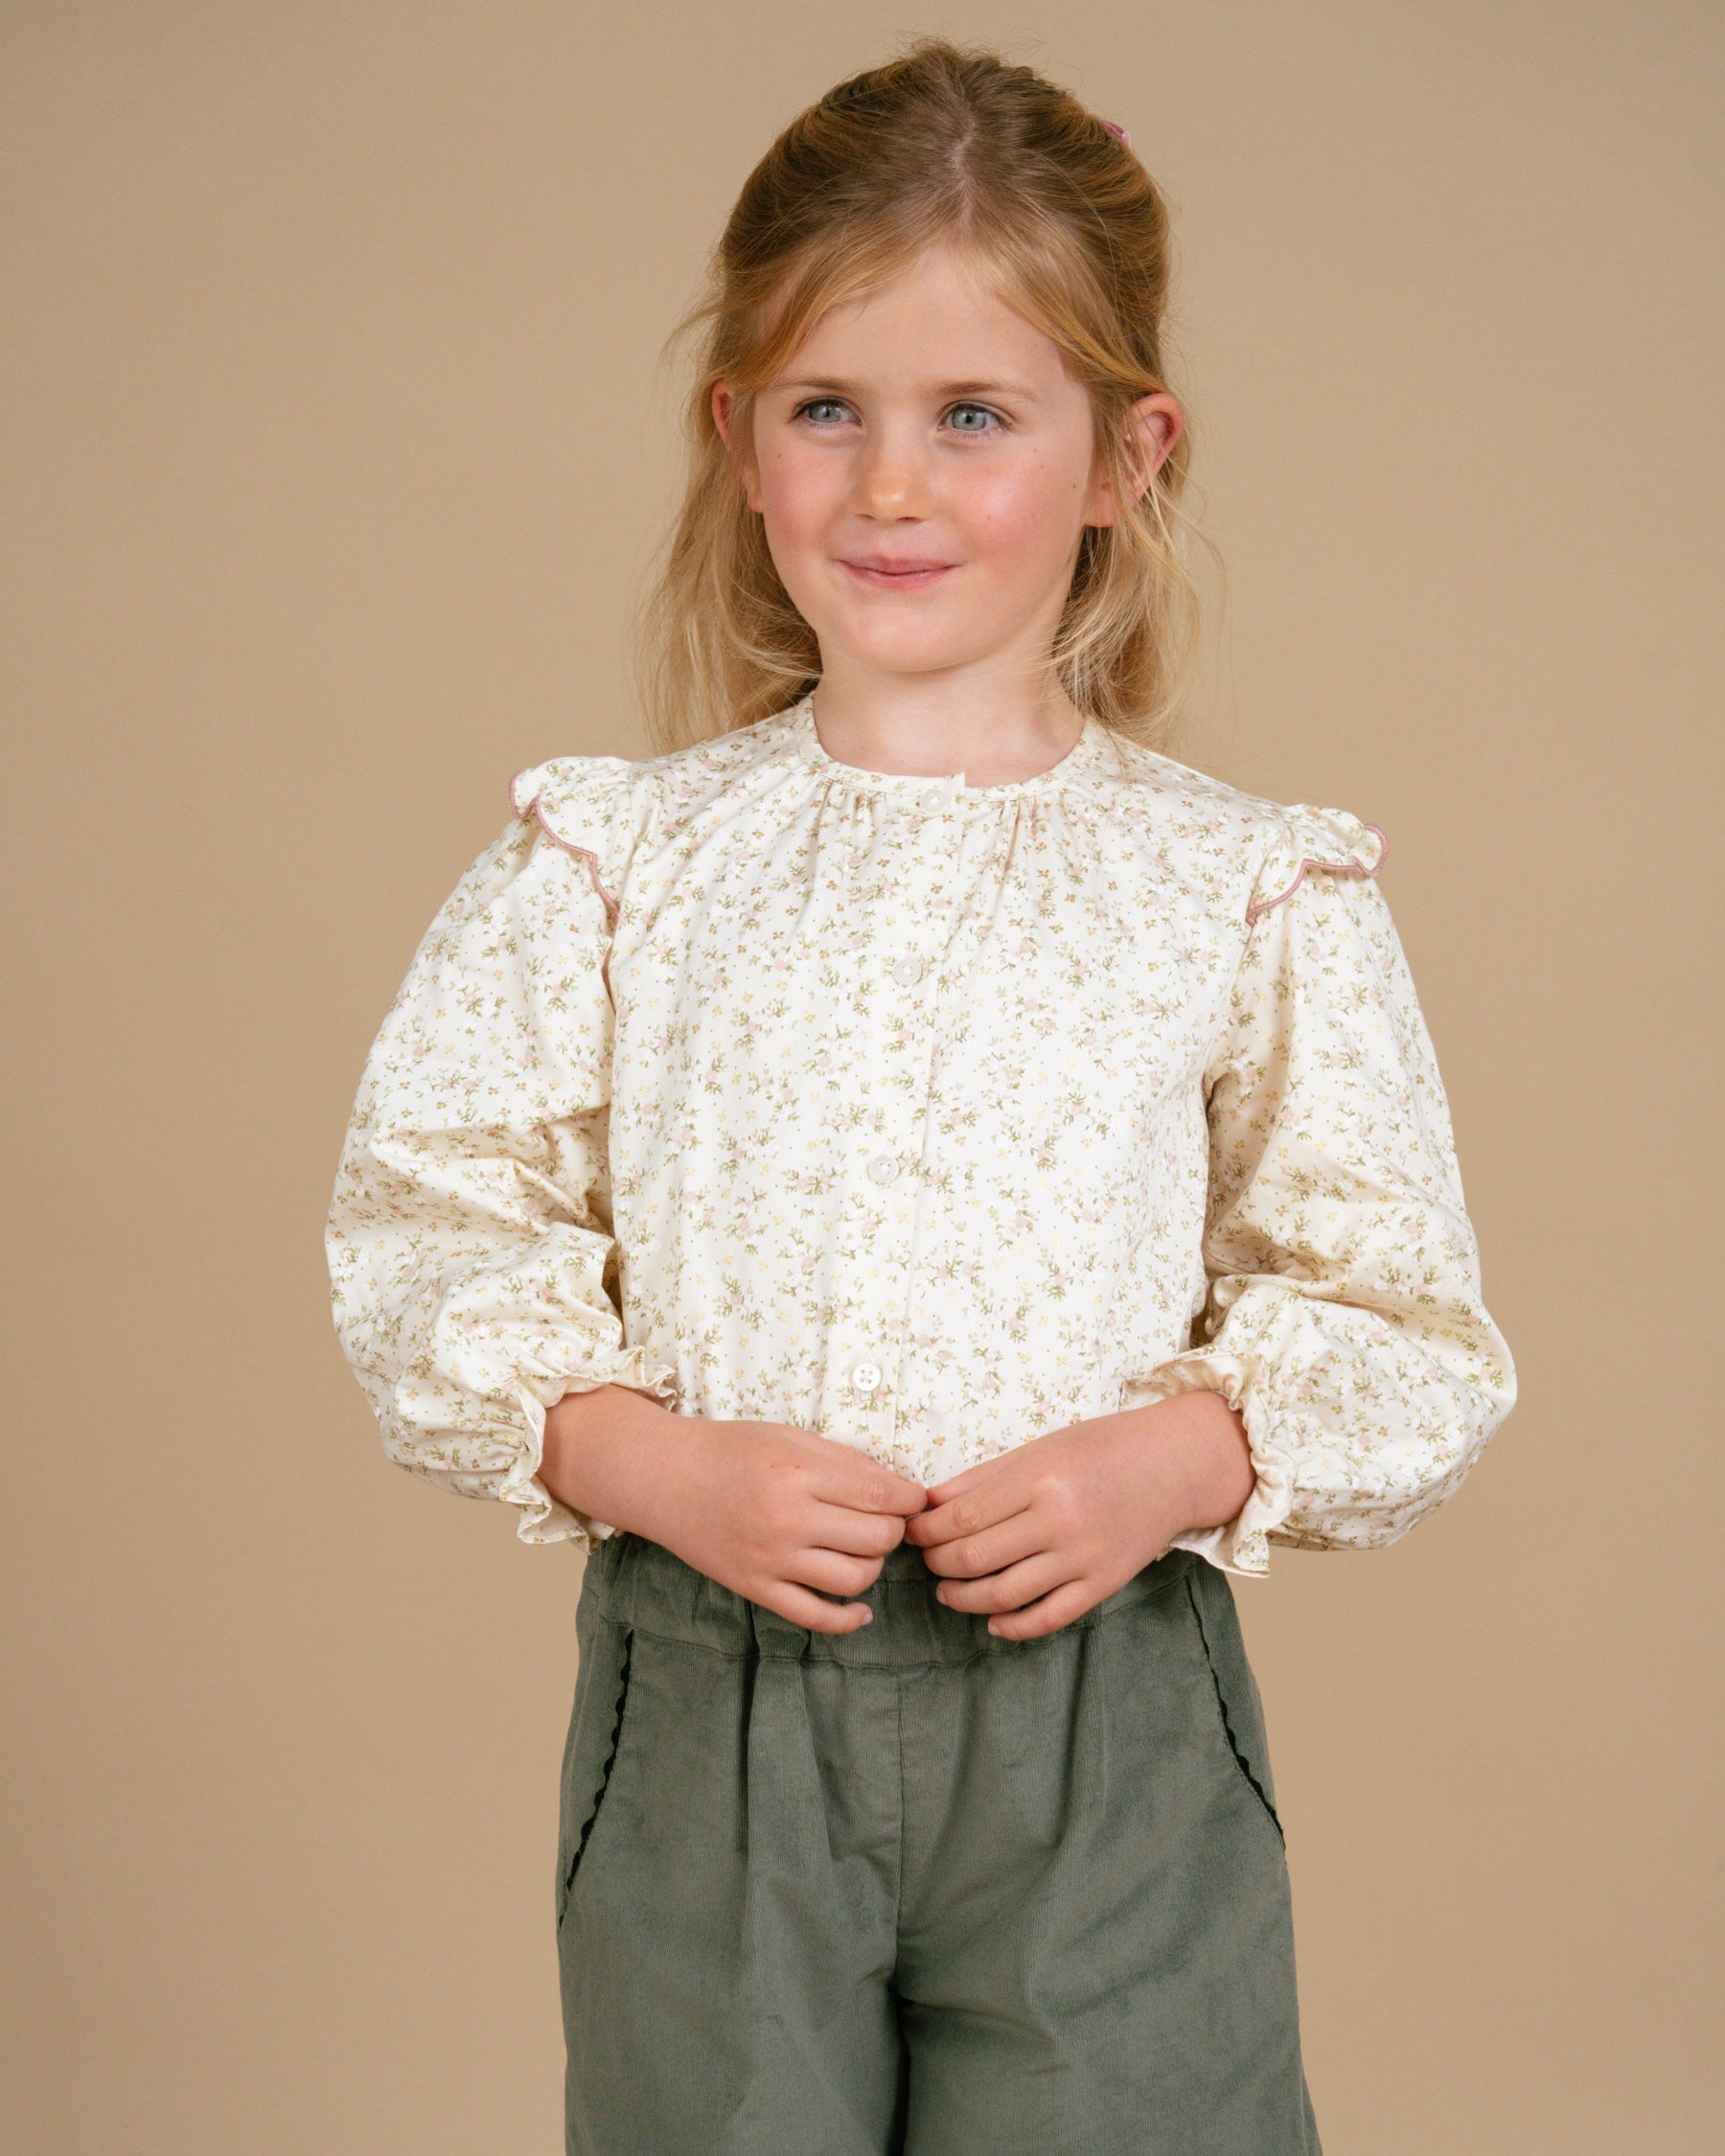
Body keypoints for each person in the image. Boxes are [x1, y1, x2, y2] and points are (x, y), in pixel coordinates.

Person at [327, 38, 1515, 2155]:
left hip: (1107, 1726)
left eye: (974, 415)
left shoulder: (1240, 888)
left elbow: (1398, 1311)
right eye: (828, 413)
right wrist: (642, 1463)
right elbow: (436, 1229)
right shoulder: (616, 864)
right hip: (715, 1716)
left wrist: (1186, 1457)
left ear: (1122, 453)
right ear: (739, 440)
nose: (892, 487)